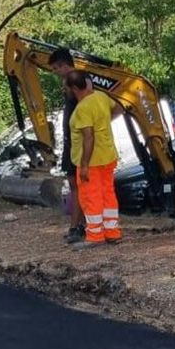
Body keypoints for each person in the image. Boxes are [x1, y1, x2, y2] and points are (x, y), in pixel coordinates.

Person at [66, 69, 122, 247]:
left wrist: (83, 165)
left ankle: (95, 236)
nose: (65, 91)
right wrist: (104, 122)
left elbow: (88, 137)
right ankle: (112, 232)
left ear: (75, 88)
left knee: (91, 197)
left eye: (66, 88)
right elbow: (119, 107)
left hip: (92, 162)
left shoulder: (82, 108)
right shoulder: (101, 97)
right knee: (108, 194)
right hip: (108, 156)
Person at [49, 47, 86, 243]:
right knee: (74, 184)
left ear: (64, 65)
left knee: (78, 186)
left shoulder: (78, 84)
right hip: (71, 143)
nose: (56, 73)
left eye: (56, 69)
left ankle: (77, 226)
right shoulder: (71, 86)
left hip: (77, 144)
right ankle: (79, 224)